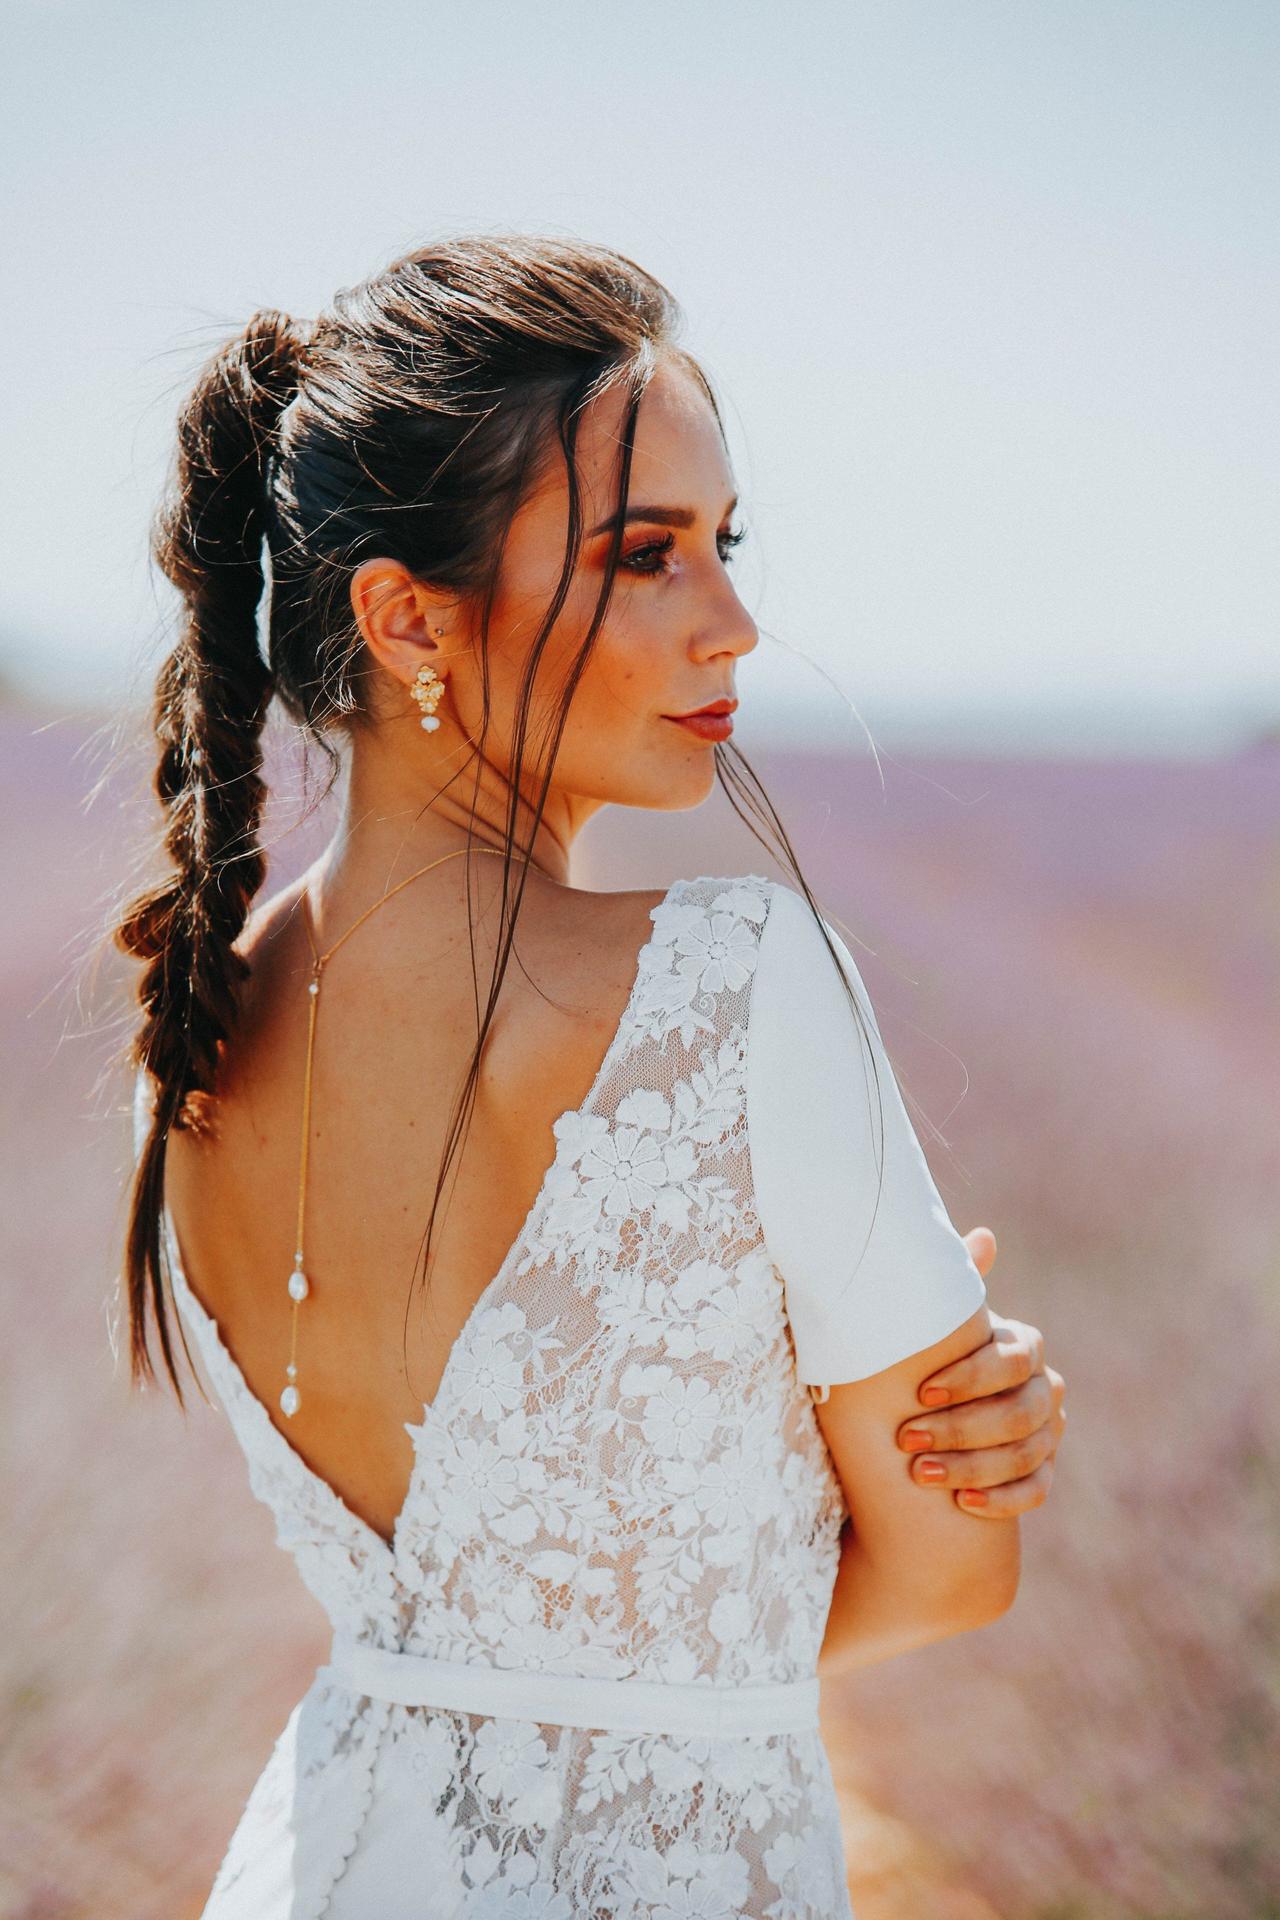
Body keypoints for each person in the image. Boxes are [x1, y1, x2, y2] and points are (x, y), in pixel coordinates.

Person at [115, 233, 1067, 1919]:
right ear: (406, 616)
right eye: (646, 557)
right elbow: (954, 1574)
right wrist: (861, 1470)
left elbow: (471, 1633)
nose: (736, 624)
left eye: (725, 544)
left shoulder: (196, 1035)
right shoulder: (732, 985)